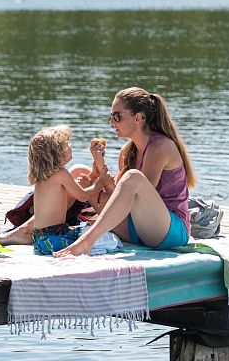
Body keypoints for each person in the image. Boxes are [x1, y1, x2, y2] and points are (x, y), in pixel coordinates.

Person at [54, 87, 196, 257]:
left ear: (138, 118)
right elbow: (120, 197)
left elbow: (135, 198)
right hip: (138, 228)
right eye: (111, 115)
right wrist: (99, 163)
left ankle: (86, 243)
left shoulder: (160, 147)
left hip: (169, 231)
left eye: (117, 116)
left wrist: (97, 188)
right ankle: (38, 230)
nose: (111, 122)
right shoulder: (128, 151)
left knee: (133, 177)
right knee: (78, 172)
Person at [26, 125, 110, 255]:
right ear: (56, 153)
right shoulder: (61, 173)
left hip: (40, 239)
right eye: (66, 145)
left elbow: (76, 190)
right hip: (54, 238)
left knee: (89, 231)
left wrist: (94, 174)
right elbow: (82, 196)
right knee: (103, 238)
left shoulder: (45, 176)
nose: (71, 147)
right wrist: (101, 181)